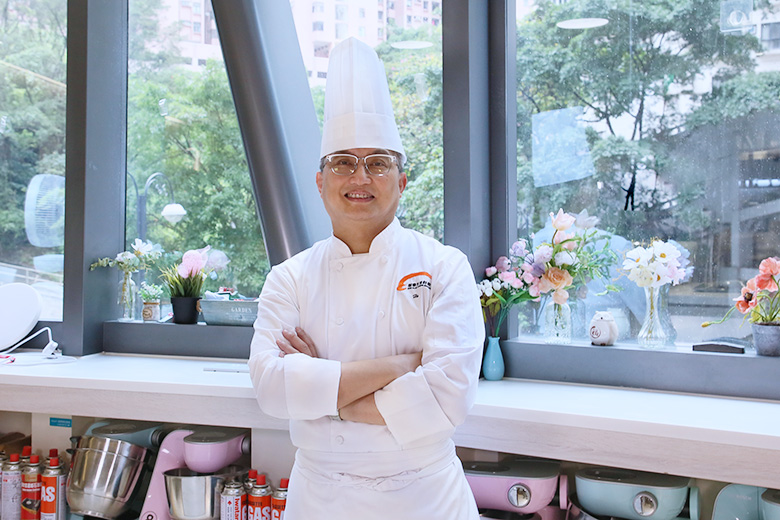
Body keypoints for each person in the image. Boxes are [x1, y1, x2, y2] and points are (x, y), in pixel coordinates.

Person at [248, 37, 483, 519]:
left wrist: (323, 395)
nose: (360, 178)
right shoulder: (289, 278)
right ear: (320, 182)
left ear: (401, 181)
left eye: (378, 163)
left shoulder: (444, 266)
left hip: (425, 497)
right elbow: (272, 389)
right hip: (320, 499)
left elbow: (446, 401)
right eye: (343, 163)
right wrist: (401, 366)